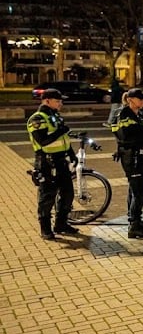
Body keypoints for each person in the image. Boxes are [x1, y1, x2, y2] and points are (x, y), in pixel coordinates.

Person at [27, 88, 79, 240]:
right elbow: (42, 141)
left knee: (68, 193)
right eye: (58, 101)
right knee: (47, 196)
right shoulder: (37, 119)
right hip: (46, 162)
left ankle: (61, 224)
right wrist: (60, 131)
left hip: (61, 161)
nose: (60, 103)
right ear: (46, 101)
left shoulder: (55, 117)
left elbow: (64, 140)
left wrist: (71, 154)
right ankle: (45, 229)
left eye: (61, 101)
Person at [113, 88, 143, 238]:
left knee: (136, 191)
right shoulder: (123, 114)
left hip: (141, 157)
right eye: (140, 99)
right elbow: (128, 136)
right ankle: (134, 226)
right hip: (132, 157)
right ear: (130, 99)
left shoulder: (140, 114)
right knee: (139, 193)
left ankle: (136, 222)